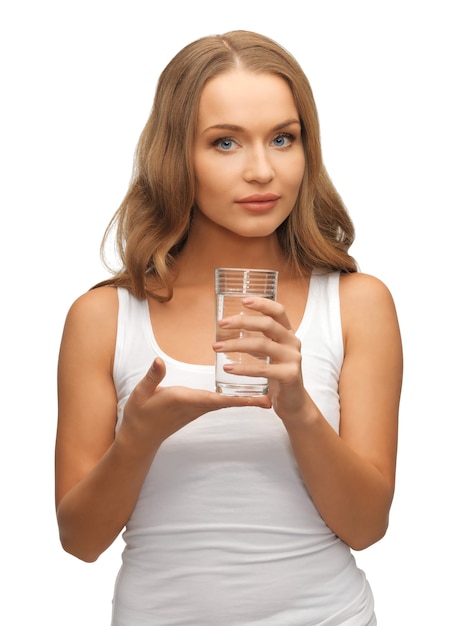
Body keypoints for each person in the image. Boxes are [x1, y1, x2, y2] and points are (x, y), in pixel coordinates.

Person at [55, 30, 403, 625]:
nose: (262, 170)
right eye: (225, 143)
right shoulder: (104, 317)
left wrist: (297, 406)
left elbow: (367, 527)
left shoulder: (356, 304)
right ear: (175, 156)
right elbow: (80, 541)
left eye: (283, 139)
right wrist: (137, 437)